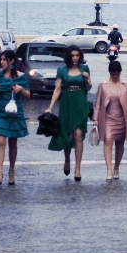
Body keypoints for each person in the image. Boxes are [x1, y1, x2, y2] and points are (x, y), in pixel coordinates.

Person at [45, 45, 92, 181]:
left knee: (78, 135)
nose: (75, 58)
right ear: (68, 57)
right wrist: (50, 107)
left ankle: (78, 168)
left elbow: (88, 88)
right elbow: (58, 89)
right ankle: (67, 159)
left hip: (80, 103)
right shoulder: (62, 70)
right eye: (73, 55)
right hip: (67, 104)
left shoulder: (84, 69)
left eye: (77, 55)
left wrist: (87, 79)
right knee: (68, 135)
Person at [0, 50, 30, 185]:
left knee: (13, 143)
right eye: (0, 59)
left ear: (11, 61)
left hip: (15, 112)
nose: (1, 62)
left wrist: (21, 89)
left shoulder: (21, 76)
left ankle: (11, 170)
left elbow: (28, 95)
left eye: (4, 60)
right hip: (1, 111)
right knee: (1, 141)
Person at [92, 61, 127, 181]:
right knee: (108, 140)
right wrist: (95, 118)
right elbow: (98, 103)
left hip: (122, 118)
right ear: (110, 73)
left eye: (117, 73)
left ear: (120, 72)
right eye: (113, 74)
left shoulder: (126, 84)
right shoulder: (103, 84)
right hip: (107, 118)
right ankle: (108, 170)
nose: (115, 76)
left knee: (120, 143)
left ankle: (116, 167)